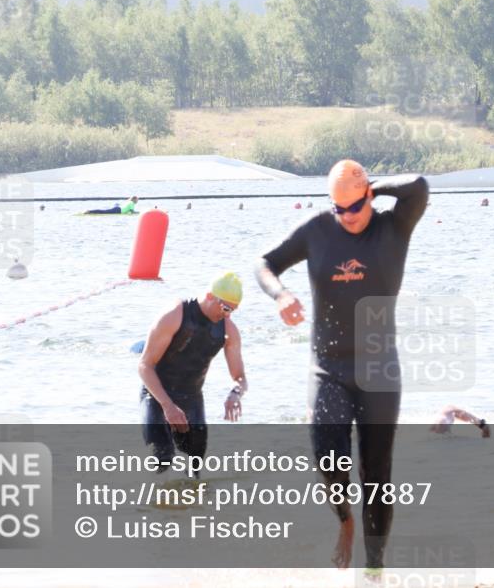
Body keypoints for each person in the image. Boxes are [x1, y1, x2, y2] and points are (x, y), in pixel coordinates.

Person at [255, 160, 428, 572]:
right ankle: (345, 521)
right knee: (327, 458)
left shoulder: (394, 227)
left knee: (377, 477)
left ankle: (374, 571)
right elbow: (265, 263)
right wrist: (280, 295)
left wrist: (372, 186)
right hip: (328, 367)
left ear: (369, 196)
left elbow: (418, 185)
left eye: (354, 206)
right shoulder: (317, 231)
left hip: (379, 369)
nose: (346, 216)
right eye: (338, 208)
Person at [138, 272, 248, 478]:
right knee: (161, 460)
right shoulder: (174, 315)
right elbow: (144, 366)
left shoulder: (229, 331)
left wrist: (236, 393)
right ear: (209, 296)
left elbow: (240, 376)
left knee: (194, 473)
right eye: (225, 308)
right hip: (157, 396)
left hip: (192, 400)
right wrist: (168, 406)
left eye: (233, 310)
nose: (227, 315)